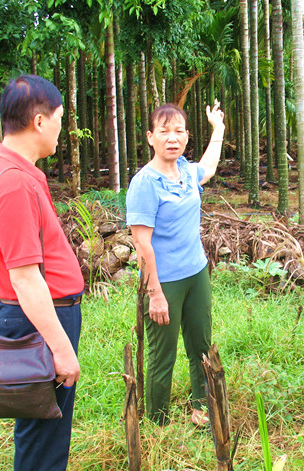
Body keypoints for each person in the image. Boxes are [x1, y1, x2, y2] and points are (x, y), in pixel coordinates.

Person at [0, 75, 84, 470]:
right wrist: (60, 347)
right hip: (39, 318)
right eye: (59, 117)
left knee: (42, 430)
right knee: (44, 440)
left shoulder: (8, 168)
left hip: (36, 316)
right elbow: (24, 277)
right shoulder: (15, 183)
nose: (61, 127)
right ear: (39, 121)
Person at [126, 101, 224, 426]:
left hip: (196, 273)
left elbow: (208, 167)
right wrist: (154, 293)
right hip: (163, 281)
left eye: (179, 131)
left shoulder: (185, 171)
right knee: (162, 355)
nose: (173, 137)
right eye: (164, 131)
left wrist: (218, 129)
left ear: (186, 136)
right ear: (150, 137)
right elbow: (142, 243)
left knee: (201, 345)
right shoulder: (144, 183)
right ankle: (157, 420)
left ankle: (201, 407)